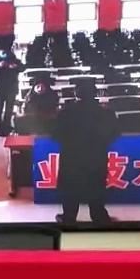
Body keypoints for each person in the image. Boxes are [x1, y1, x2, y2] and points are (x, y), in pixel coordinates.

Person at [52, 81, 119, 225]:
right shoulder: (107, 113)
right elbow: (114, 134)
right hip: (96, 157)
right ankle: (99, 217)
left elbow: (55, 135)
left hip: (71, 158)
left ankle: (69, 217)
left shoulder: (66, 113)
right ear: (95, 93)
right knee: (96, 187)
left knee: (71, 189)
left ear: (76, 93)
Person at [0, 47, 23, 137]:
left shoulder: (15, 60)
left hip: (11, 88)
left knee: (9, 108)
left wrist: (15, 66)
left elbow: (23, 67)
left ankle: (7, 126)